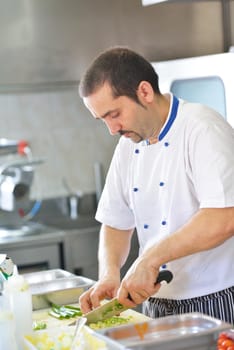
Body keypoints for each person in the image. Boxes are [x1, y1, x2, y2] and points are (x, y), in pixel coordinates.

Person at [78, 47, 234, 324]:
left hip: (215, 299)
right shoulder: (128, 146)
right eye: (103, 119)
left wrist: (149, 260)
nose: (112, 129)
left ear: (145, 92)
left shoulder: (202, 128)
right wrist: (110, 273)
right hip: (156, 304)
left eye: (114, 114)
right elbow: (115, 221)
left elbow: (222, 219)